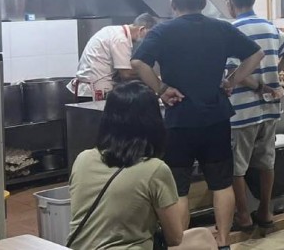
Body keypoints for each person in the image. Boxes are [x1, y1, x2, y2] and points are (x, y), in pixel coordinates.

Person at [131, 0, 264, 249]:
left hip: (179, 119)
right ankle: (224, 242)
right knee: (222, 184)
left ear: (173, 5)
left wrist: (161, 89)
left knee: (179, 189)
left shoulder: (163, 31)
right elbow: (256, 53)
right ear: (203, 4)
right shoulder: (221, 28)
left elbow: (137, 62)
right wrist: (232, 80)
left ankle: (180, 244)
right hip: (216, 118)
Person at [68, 81, 218, 250]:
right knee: (203, 238)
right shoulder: (154, 169)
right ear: (153, 122)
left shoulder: (83, 159)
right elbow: (175, 238)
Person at [222, 0, 284, 232]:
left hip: (242, 109)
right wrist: (274, 72)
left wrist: (257, 84)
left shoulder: (233, 29)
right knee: (267, 162)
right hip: (270, 109)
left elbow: (236, 71)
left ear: (232, 2)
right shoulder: (268, 26)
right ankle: (265, 211)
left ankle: (243, 216)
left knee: (237, 167)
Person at [69, 13, 158, 100]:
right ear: (142, 29)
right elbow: (126, 74)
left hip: (86, 89)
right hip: (95, 92)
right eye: (149, 35)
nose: (148, 40)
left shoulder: (113, 31)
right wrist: (150, 76)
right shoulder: (121, 39)